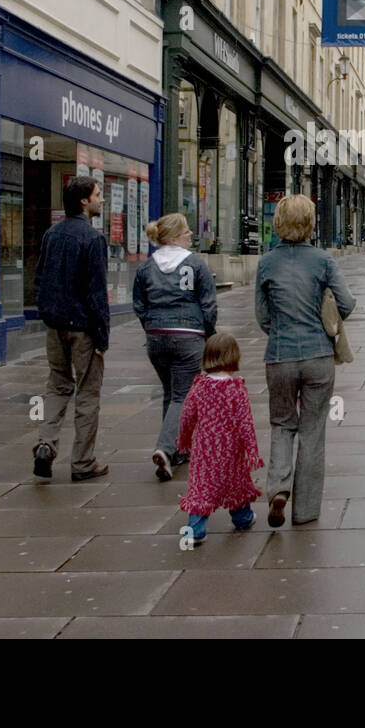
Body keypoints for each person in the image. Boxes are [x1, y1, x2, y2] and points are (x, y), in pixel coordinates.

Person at [255, 195, 355, 528]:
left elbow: (262, 317)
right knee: (313, 431)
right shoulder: (323, 261)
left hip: (280, 355)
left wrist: (281, 330)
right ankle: (306, 510)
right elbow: (348, 302)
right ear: (310, 222)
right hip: (318, 357)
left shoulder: (267, 263)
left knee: (282, 424)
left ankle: (278, 490)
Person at [32, 176, 111, 482]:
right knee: (87, 394)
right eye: (98, 195)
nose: (101, 200)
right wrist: (102, 336)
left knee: (57, 385)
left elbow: (39, 279)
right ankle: (83, 462)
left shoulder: (52, 234)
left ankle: (46, 443)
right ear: (84, 202)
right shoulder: (92, 239)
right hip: (83, 327)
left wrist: (47, 314)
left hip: (55, 325)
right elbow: (96, 293)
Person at [133, 212, 218, 482]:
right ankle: (166, 449)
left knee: (171, 393)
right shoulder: (195, 264)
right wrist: (208, 334)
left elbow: (139, 304)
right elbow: (208, 304)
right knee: (183, 395)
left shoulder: (146, 267)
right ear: (173, 237)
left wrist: (151, 325)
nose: (191, 234)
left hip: (156, 337)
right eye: (186, 231)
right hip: (188, 335)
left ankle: (179, 449)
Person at [175, 333, 263, 545]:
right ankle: (243, 518)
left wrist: (184, 439)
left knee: (201, 488)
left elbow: (187, 414)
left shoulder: (199, 386)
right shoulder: (236, 387)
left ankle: (195, 530)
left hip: (204, 448)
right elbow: (245, 422)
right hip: (231, 448)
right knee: (236, 484)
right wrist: (252, 451)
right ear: (234, 357)